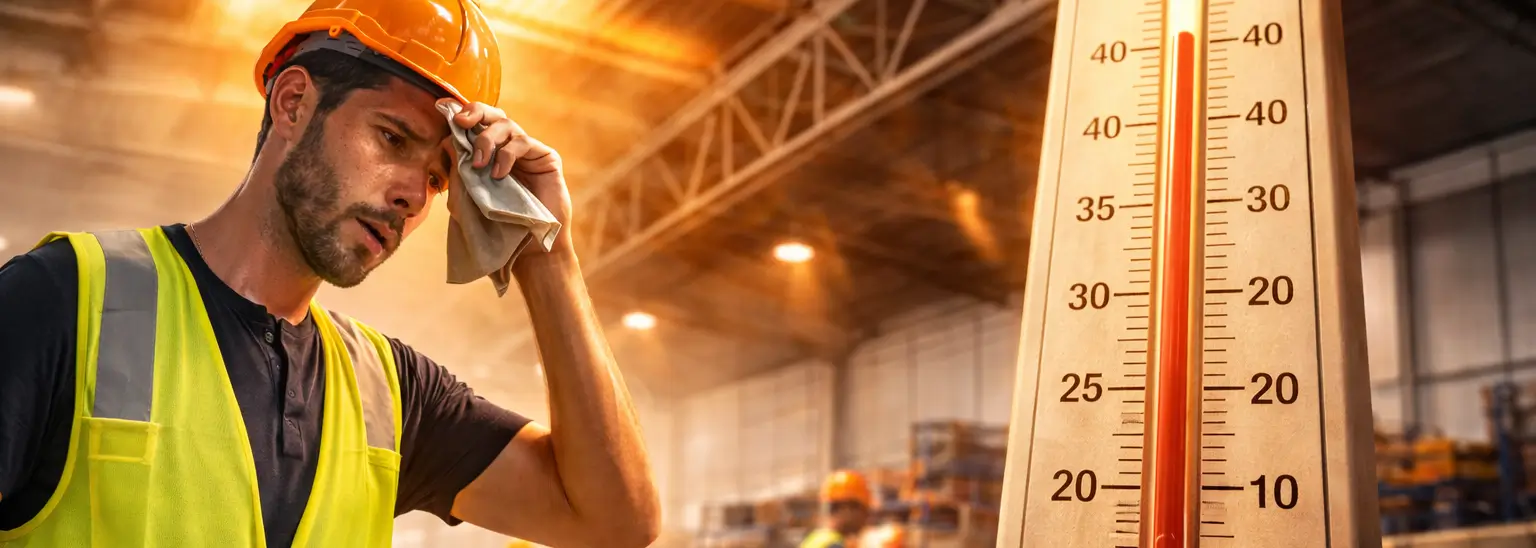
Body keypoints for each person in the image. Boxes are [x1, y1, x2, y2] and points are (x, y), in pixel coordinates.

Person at [0, 0, 660, 546]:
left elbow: (612, 521)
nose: (414, 197)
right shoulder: (67, 300)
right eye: (394, 139)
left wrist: (548, 255)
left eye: (437, 178)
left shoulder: (392, 396)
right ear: (292, 104)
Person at [801, 470, 874, 548]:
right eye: (864, 511)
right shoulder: (834, 544)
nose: (866, 520)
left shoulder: (815, 539)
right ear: (846, 508)